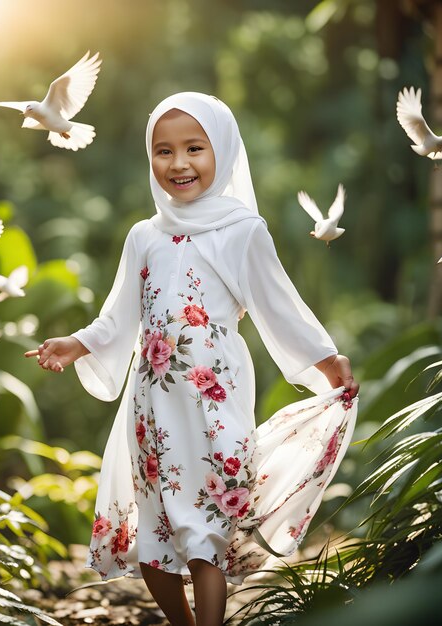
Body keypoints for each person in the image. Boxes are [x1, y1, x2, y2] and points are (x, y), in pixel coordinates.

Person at [25, 92, 359, 626]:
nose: (178, 163)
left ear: (222, 150)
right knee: (154, 541)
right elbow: (118, 317)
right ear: (149, 157)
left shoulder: (244, 230)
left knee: (205, 532)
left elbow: (279, 304)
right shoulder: (143, 236)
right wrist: (77, 343)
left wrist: (326, 359)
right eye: (164, 150)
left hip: (215, 396)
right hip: (152, 407)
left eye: (194, 148)